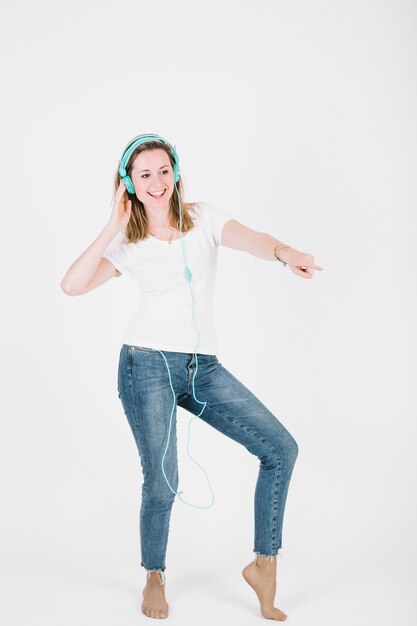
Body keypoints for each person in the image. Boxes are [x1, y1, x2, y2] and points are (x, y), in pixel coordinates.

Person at [60, 133, 324, 621]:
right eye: (144, 175)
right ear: (128, 184)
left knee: (280, 449)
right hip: (146, 366)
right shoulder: (127, 240)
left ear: (176, 172)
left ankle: (264, 564)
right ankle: (154, 575)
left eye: (164, 170)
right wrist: (111, 223)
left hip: (203, 367)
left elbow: (253, 240)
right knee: (163, 483)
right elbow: (72, 285)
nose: (157, 182)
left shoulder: (205, 218)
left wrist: (285, 253)